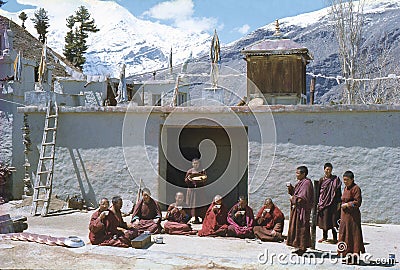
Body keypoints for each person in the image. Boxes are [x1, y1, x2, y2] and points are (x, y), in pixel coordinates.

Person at [338, 170, 365, 264]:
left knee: (353, 235)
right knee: (345, 235)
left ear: (352, 179)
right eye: (344, 180)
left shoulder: (356, 188)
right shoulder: (345, 188)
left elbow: (358, 202)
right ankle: (347, 255)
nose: (345, 182)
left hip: (353, 217)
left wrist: (348, 205)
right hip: (345, 217)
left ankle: (354, 257)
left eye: (347, 180)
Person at [286, 166, 314, 255]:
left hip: (302, 210)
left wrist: (292, 199)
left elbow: (302, 198)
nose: (296, 175)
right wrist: (290, 188)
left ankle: (303, 247)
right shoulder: (301, 182)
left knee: (301, 227)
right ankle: (298, 246)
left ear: (303, 174)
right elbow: (296, 192)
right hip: (297, 209)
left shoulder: (307, 183)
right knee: (296, 227)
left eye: (298, 173)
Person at [317, 163, 342, 244]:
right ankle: (325, 237)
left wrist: (339, 203)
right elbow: (318, 192)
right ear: (324, 170)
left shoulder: (335, 180)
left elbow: (338, 192)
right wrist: (318, 202)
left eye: (330, 169)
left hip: (333, 203)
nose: (328, 171)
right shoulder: (321, 180)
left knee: (333, 221)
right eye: (327, 169)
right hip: (324, 203)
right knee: (325, 221)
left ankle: (335, 238)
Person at [184, 158, 207, 224]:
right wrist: (188, 179)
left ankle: (202, 217)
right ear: (192, 164)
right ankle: (194, 217)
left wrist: (201, 179)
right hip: (192, 191)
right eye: (194, 163)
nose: (195, 165)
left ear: (199, 164)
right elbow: (185, 180)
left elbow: (205, 178)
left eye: (197, 163)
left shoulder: (202, 171)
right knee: (193, 204)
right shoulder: (190, 171)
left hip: (200, 190)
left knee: (201, 204)